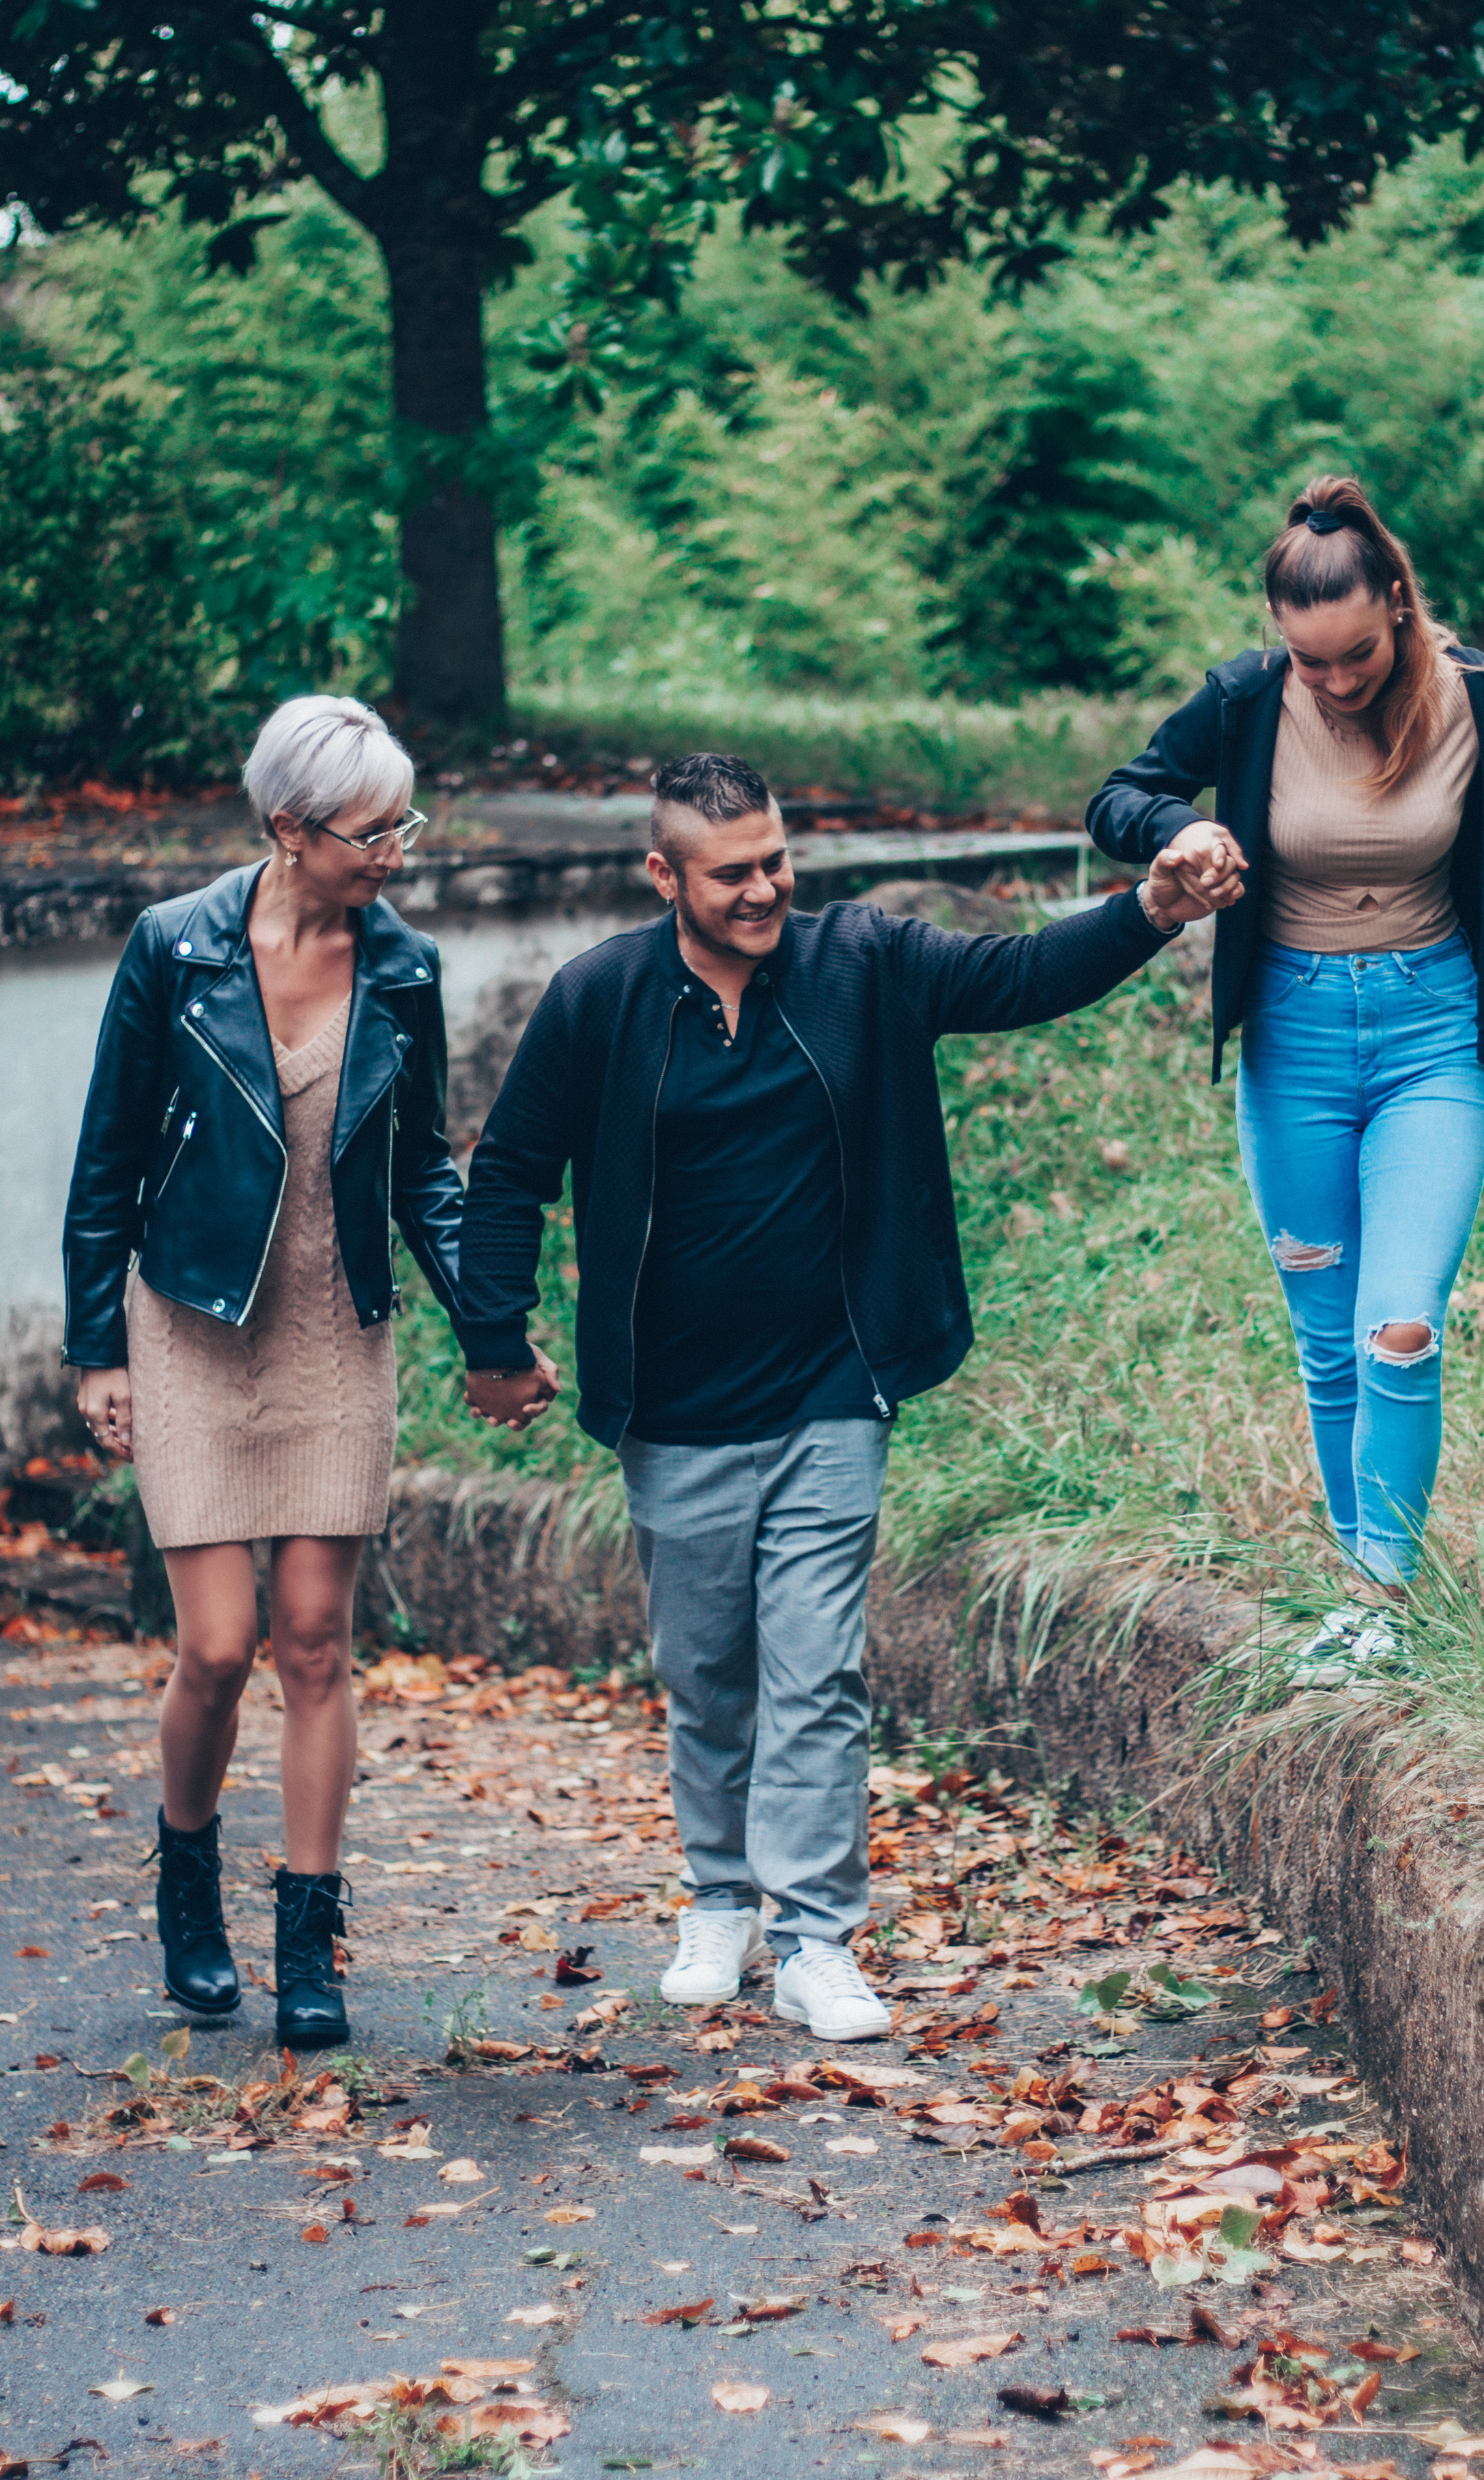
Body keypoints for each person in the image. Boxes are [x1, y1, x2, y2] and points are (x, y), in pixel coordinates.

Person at [455, 753, 1227, 2041]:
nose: (763, 888)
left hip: (831, 1385)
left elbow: (1019, 975)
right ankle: (720, 1897)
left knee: (817, 1672)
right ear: (665, 876)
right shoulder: (599, 998)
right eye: (731, 872)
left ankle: (817, 1937)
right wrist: (493, 1334)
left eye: (774, 860)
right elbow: (513, 1168)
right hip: (676, 1404)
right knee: (707, 1672)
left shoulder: (860, 961)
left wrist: (1150, 908)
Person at [1087, 473, 1484, 1652]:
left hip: (1430, 1036)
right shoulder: (1245, 701)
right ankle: (1361, 1590)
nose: (1334, 682)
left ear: (1397, 602)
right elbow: (1122, 792)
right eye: (1310, 661)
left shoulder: (1479, 698)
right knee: (1328, 1333)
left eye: (1354, 654)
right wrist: (1172, 828)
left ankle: (1379, 1601)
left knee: (1401, 1324)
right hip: (1292, 1037)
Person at [62, 696, 470, 2047]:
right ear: (290, 829)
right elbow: (108, 1156)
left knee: (314, 1645)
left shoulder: (404, 966)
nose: (397, 851)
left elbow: (424, 1169)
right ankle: (188, 1881)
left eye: (402, 822)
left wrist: (486, 1323)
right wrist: (94, 1350)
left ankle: (308, 1936)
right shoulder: (173, 948)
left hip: (330, 1329)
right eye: (372, 830)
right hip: (189, 1324)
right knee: (219, 1649)